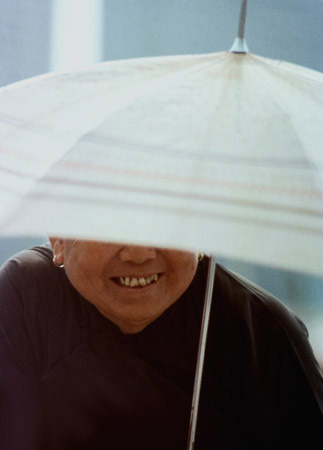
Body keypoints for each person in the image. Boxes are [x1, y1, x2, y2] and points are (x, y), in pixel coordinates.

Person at [0, 238, 322, 450]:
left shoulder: (262, 332)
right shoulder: (26, 300)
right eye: (112, 224)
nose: (139, 254)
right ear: (58, 237)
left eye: (166, 225)